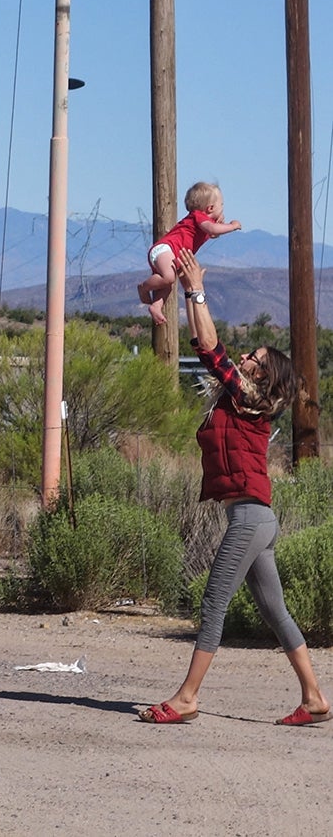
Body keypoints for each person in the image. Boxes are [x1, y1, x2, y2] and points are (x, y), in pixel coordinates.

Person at [138, 247, 329, 726]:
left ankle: (186, 697)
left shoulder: (253, 400)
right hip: (254, 519)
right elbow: (209, 349)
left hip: (249, 518)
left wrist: (196, 290)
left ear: (264, 376)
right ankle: (314, 698)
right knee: (274, 611)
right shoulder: (237, 398)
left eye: (255, 358)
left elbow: (211, 349)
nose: (245, 358)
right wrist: (187, 292)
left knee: (213, 600)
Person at [138, 182, 241, 327]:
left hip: (171, 256)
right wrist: (232, 226)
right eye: (221, 204)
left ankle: (156, 306)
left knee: (167, 286)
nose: (223, 208)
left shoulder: (205, 224)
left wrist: (217, 225)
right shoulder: (198, 216)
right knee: (168, 278)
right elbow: (213, 230)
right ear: (210, 208)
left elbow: (212, 233)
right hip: (164, 249)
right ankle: (143, 287)